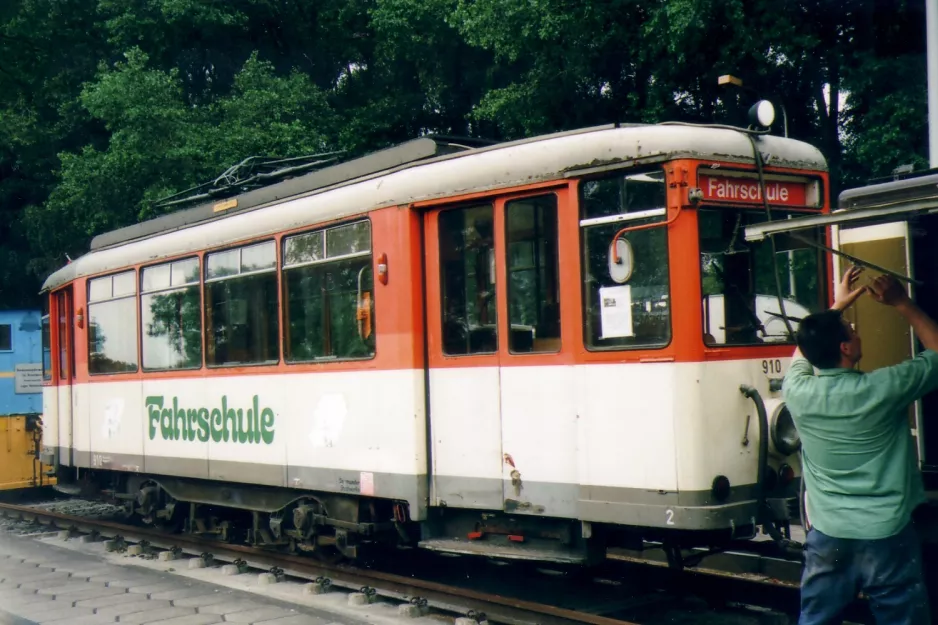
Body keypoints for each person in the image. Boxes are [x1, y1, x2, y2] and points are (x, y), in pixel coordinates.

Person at [783, 266, 938, 625]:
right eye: (851, 331)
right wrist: (902, 303)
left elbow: (806, 349)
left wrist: (837, 306)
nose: (856, 332)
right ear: (846, 347)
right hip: (885, 533)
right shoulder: (884, 388)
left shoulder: (798, 390)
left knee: (817, 618)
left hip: (828, 534)